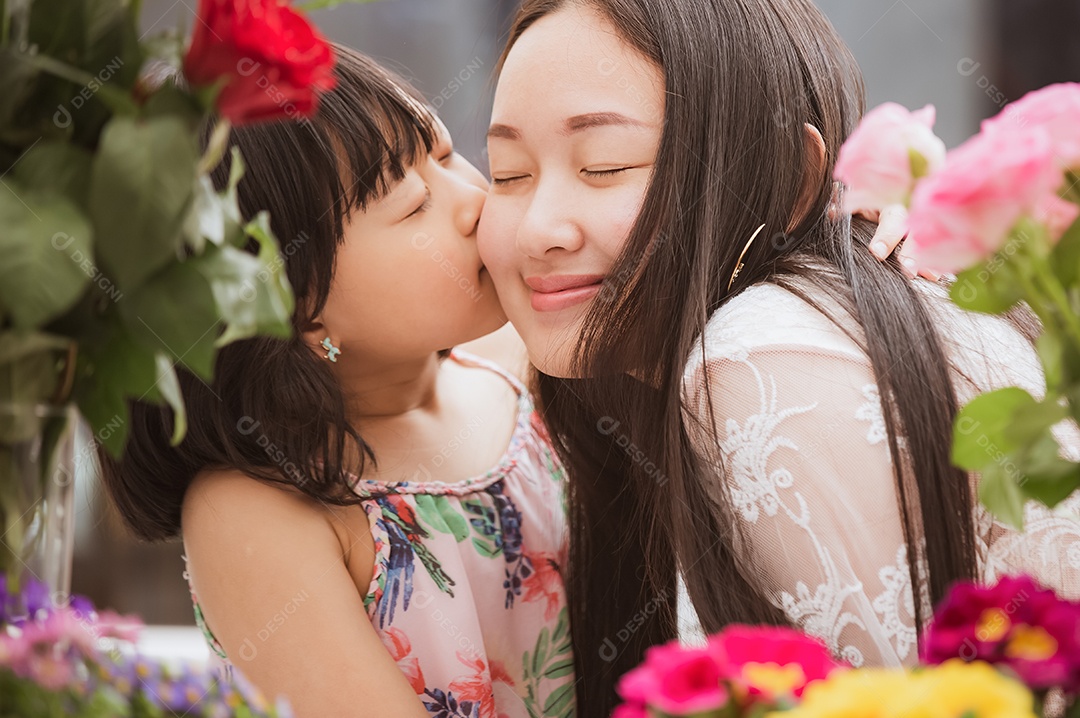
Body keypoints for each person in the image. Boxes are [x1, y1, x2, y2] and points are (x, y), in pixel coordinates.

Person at [477, 1, 1080, 714]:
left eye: (604, 166)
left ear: (795, 177)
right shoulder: (782, 323)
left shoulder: (757, 357)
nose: (539, 229)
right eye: (508, 174)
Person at [99, 45, 573, 718]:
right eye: (413, 206)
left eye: (443, 154)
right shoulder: (263, 507)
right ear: (294, 308)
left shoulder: (527, 371)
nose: (474, 202)